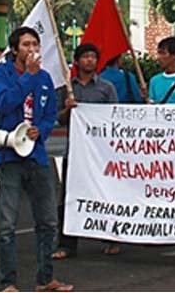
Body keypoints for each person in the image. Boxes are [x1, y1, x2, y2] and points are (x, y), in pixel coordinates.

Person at [0, 26, 72, 292]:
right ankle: (8, 282)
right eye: (25, 45)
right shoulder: (1, 74)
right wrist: (29, 77)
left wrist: (43, 130)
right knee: (7, 225)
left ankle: (46, 279)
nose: (32, 49)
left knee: (47, 220)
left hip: (36, 155)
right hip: (9, 156)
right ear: (14, 50)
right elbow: (5, 103)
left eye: (35, 44)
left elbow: (49, 115)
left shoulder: (45, 78)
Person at [53, 43, 119, 260]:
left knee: (105, 194)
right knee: (68, 198)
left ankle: (110, 239)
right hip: (75, 152)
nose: (90, 60)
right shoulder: (66, 88)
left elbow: (114, 117)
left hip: (100, 153)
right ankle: (66, 244)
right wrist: (68, 108)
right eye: (86, 57)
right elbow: (59, 120)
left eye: (93, 57)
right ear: (77, 61)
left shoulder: (106, 88)